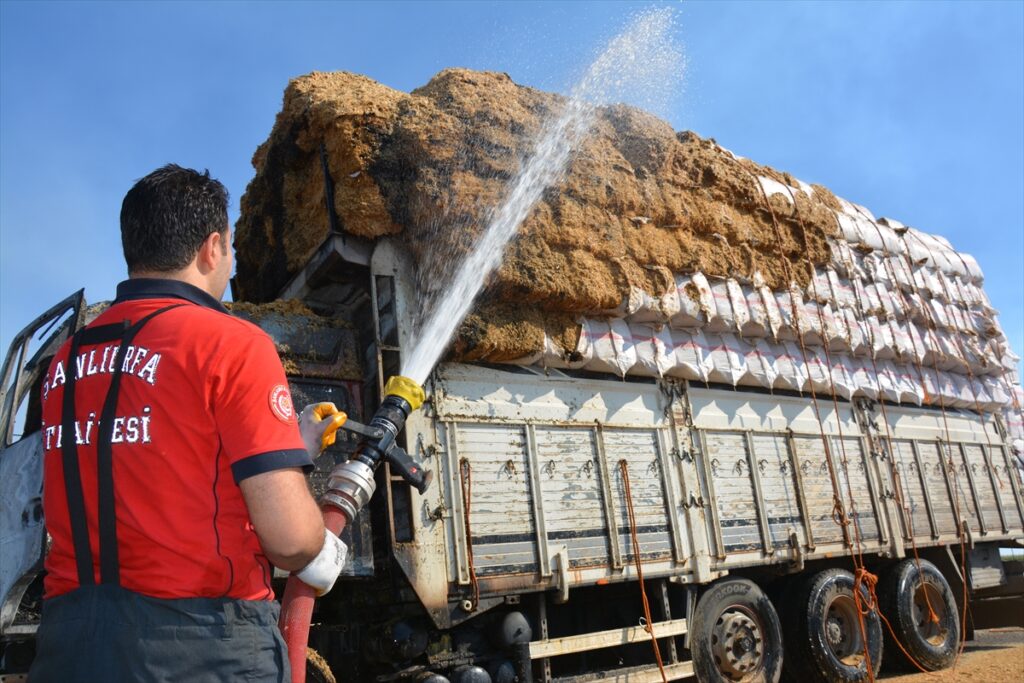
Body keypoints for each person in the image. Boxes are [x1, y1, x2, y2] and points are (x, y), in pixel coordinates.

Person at [29, 164, 347, 682]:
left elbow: (149, 458)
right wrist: (320, 542)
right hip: (202, 646)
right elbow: (290, 540)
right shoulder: (233, 343)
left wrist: (293, 445)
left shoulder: (65, 361)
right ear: (212, 247)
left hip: (71, 645)